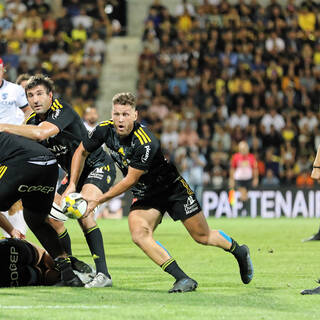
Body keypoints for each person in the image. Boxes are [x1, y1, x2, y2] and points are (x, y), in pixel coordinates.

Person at [65, 92, 254, 293]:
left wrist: (98, 200)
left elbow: (130, 180)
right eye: (117, 114)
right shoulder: (104, 130)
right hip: (146, 194)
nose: (120, 119)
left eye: (125, 114)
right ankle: (182, 278)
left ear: (135, 115)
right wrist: (72, 185)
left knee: (202, 236)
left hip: (172, 189)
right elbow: (81, 151)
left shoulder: (145, 142)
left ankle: (239, 251)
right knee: (139, 234)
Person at [0, 74, 116, 288]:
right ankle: (69, 266)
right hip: (70, 173)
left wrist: (4, 126)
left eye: (40, 94)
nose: (35, 99)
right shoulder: (31, 121)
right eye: (30, 95)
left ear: (50, 95)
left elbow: (42, 134)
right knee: (44, 218)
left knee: (83, 212)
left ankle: (103, 274)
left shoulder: (62, 110)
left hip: (96, 166)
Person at [0, 131, 82, 287]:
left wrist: (10, 230)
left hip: (24, 162)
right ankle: (68, 273)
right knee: (35, 219)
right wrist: (11, 230)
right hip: (49, 163)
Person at [0, 237, 93, 287]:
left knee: (42, 275)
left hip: (9, 272)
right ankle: (69, 265)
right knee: (44, 259)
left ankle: (67, 272)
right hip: (11, 250)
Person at [229, 141, 259, 215]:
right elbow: (232, 169)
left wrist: (256, 178)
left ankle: (243, 209)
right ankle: (242, 210)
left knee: (245, 196)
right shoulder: (235, 157)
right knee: (243, 192)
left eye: (245, 148)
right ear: (239, 149)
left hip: (248, 179)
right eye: (242, 148)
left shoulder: (251, 157)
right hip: (239, 179)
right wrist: (231, 179)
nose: (243, 150)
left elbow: (255, 168)